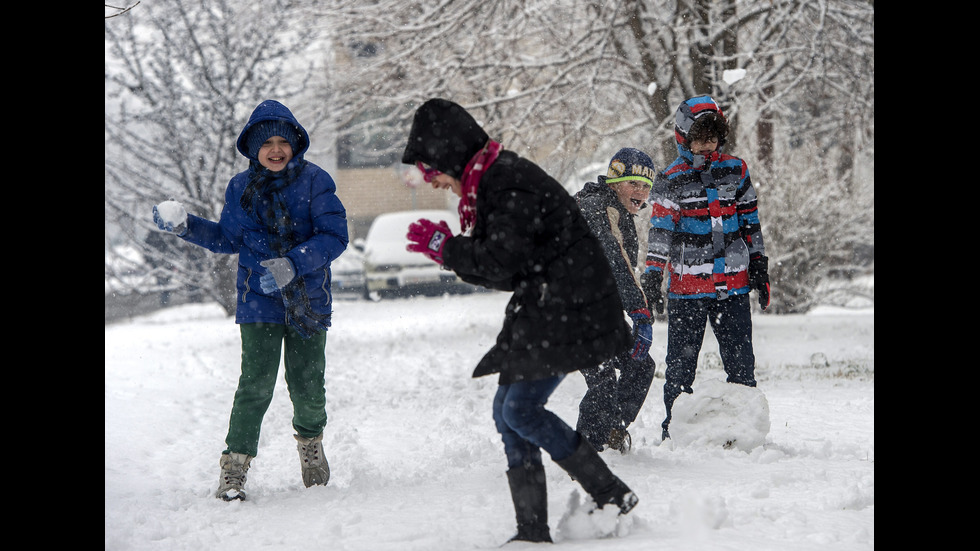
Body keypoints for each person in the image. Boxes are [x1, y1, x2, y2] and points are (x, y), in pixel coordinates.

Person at [402, 98, 638, 544]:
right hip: (548, 303)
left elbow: (498, 259)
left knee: (520, 409)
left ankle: (610, 493)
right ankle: (533, 530)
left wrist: (447, 249)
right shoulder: (491, 181)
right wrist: (447, 250)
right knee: (508, 412)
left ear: (449, 155)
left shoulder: (506, 181)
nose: (433, 182)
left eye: (432, 170)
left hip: (571, 305)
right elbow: (508, 269)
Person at [151, 100, 349, 500]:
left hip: (308, 299)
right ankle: (235, 466)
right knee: (255, 384)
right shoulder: (241, 187)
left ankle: (310, 445)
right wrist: (186, 226)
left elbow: (334, 236)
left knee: (307, 385)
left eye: (283, 141)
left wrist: (293, 264)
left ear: (295, 145)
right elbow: (228, 238)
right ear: (252, 148)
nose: (276, 149)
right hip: (257, 299)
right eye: (267, 143)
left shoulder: (316, 181)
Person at [641, 95, 770, 441]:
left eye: (712, 138)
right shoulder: (671, 179)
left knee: (741, 363)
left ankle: (745, 430)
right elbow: (661, 232)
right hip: (687, 292)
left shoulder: (736, 170)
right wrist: (653, 274)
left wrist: (759, 263)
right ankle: (674, 431)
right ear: (683, 138)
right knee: (681, 367)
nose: (706, 146)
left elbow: (750, 222)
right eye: (698, 139)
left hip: (733, 287)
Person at [573, 148, 658, 454]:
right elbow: (616, 259)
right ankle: (585, 453)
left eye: (646, 186)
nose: (641, 192)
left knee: (640, 366)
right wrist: (640, 312)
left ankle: (611, 430)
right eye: (634, 183)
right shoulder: (597, 207)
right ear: (614, 180)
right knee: (603, 378)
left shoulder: (619, 213)